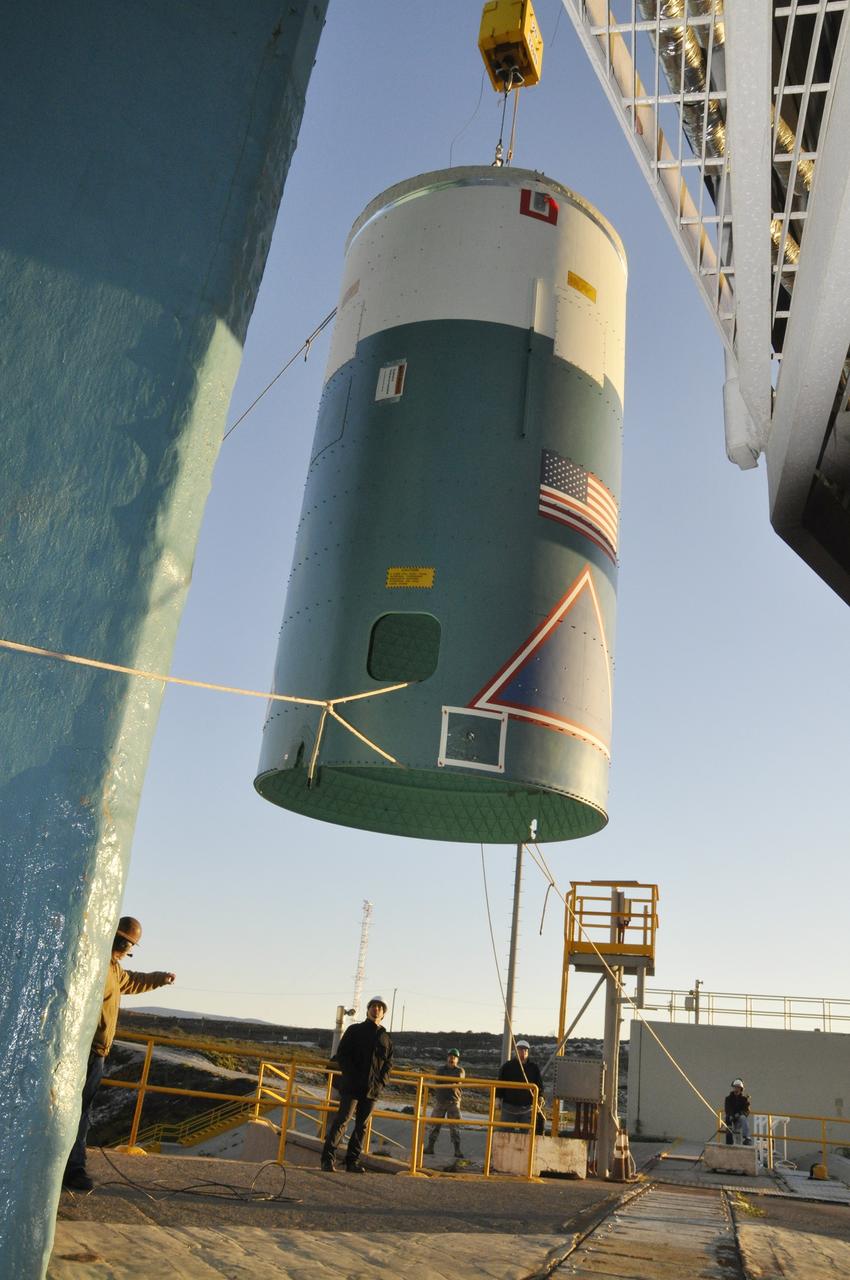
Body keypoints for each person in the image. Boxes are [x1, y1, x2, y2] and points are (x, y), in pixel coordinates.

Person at [63, 916, 175, 1192]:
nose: (126, 949)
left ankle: (71, 1168)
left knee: (81, 1111)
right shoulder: (96, 965)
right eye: (126, 943)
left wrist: (160, 979)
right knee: (77, 1112)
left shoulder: (113, 969)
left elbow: (133, 981)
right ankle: (73, 1170)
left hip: (96, 1053)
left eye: (129, 945)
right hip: (84, 1052)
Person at [321, 996, 394, 1172]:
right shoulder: (355, 1030)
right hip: (352, 1087)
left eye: (380, 1007)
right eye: (373, 1006)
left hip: (371, 1090)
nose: (376, 1009)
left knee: (362, 1126)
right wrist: (351, 1076)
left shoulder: (386, 1038)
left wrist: (380, 1083)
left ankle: (352, 1161)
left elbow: (388, 1065)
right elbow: (342, 1054)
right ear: (368, 1010)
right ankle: (327, 1159)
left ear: (383, 1013)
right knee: (342, 1121)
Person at [497, 1039, 545, 1136]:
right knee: (505, 1134)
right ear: (516, 1051)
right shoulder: (507, 1066)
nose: (523, 1052)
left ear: (528, 1052)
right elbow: (500, 1083)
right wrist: (497, 1098)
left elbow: (539, 1084)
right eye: (520, 1049)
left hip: (527, 1108)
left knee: (527, 1135)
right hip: (509, 1107)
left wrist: (540, 1096)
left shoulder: (534, 1068)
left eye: (525, 1050)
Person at [424, 1047, 465, 1159]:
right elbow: (439, 1079)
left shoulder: (460, 1070)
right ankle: (430, 1147)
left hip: (453, 1102)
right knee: (434, 1125)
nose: (452, 1058)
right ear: (447, 1057)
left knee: (455, 1127)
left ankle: (457, 1150)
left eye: (454, 1057)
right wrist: (449, 1080)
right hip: (441, 1101)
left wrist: (446, 1079)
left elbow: (457, 1078)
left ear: (457, 1060)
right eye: (450, 1056)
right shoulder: (440, 1069)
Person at [724, 1077, 752, 1145]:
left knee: (743, 1117)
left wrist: (739, 1114)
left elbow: (747, 1111)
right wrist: (731, 1115)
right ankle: (729, 1142)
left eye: (738, 1087)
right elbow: (727, 1109)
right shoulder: (728, 1099)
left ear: (741, 1089)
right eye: (735, 1087)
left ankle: (746, 1138)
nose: (736, 1089)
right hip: (731, 1119)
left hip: (739, 1119)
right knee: (727, 1119)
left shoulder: (744, 1099)